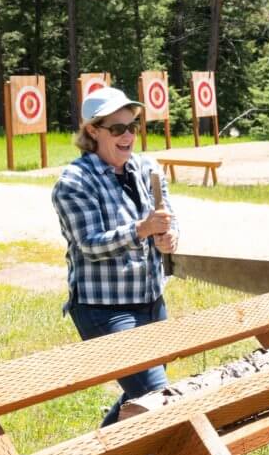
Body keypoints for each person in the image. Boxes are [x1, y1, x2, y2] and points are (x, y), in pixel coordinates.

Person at [52, 86, 178, 427]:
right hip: (104, 310)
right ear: (92, 131)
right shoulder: (74, 181)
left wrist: (169, 237)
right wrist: (141, 230)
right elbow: (88, 244)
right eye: (117, 129)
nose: (128, 136)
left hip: (152, 300)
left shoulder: (146, 169)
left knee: (142, 396)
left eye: (132, 127)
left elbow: (167, 217)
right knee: (159, 400)